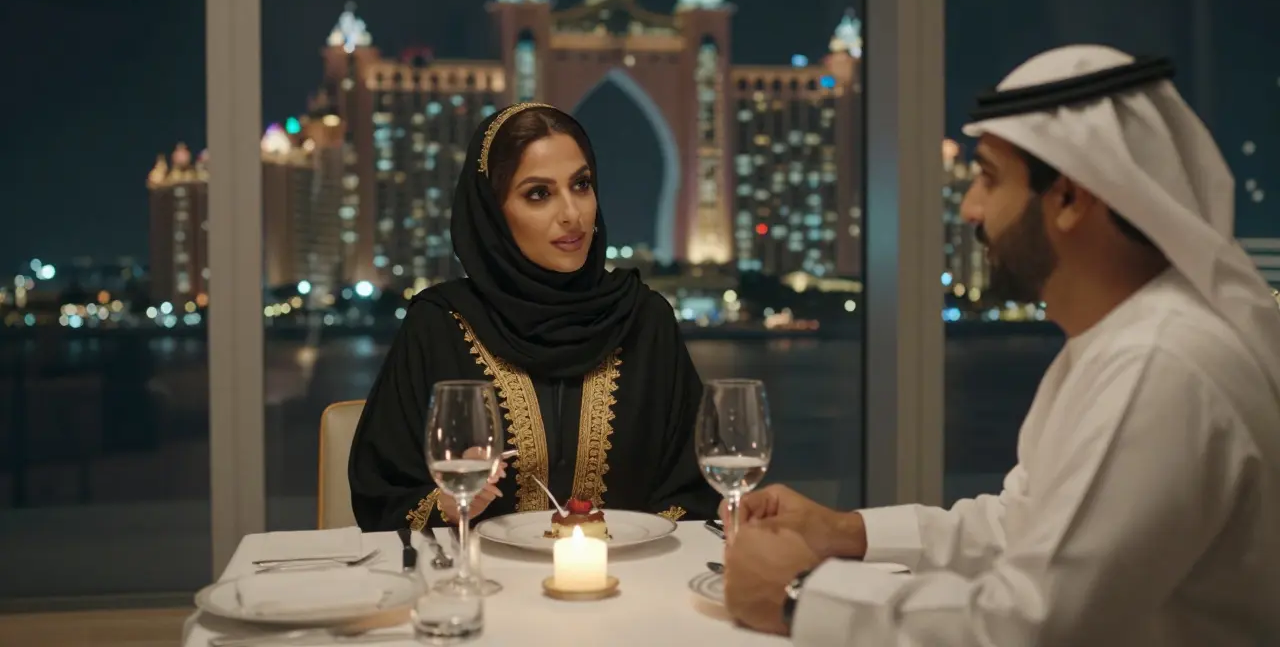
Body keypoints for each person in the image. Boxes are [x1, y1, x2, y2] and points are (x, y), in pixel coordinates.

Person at [720, 46, 1280, 646]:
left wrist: (799, 595)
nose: (970, 208)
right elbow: (1023, 526)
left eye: (988, 178)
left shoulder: (1160, 364)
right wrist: (842, 531)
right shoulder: (1117, 344)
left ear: (1069, 198)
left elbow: (1031, 627)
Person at [348, 102, 717, 532]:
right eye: (539, 194)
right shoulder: (439, 325)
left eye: (581, 185)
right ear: (493, 211)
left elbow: (694, 489)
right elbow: (382, 495)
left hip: (629, 571)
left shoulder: (644, 320)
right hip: (477, 573)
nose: (572, 215)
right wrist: (448, 503)